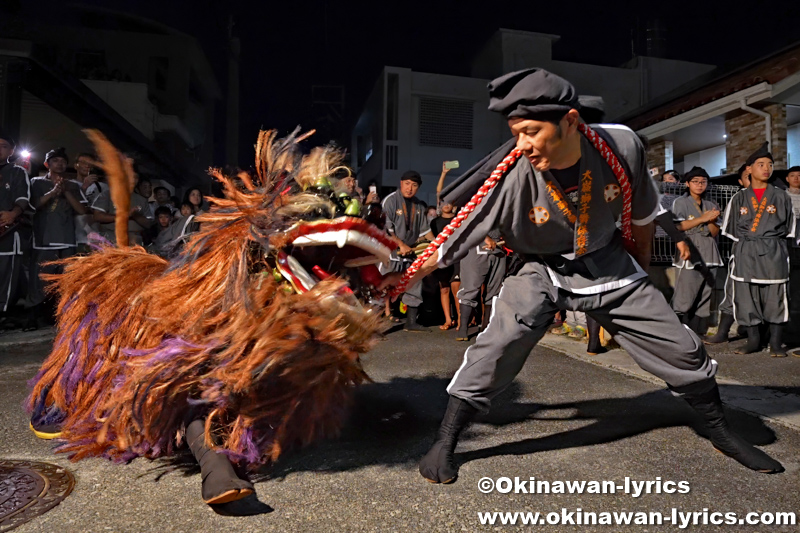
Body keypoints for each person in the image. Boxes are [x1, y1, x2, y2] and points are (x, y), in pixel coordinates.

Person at [380, 68, 783, 481]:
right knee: (496, 347)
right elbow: (454, 236)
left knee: (682, 349)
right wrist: (403, 278)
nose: (521, 144)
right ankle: (446, 440)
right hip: (542, 270)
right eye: (515, 132)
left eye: (532, 131)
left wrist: (638, 277)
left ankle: (721, 430)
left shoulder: (621, 144)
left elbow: (642, 215)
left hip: (609, 263)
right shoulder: (511, 175)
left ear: (571, 121)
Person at [721, 143, 795, 357]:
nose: (766, 168)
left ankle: (775, 343)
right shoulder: (739, 198)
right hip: (746, 251)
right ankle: (753, 341)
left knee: (776, 297)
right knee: (745, 297)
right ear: (749, 169)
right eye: (761, 164)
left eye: (770, 165)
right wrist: (748, 244)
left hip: (774, 251)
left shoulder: (782, 196)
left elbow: (789, 228)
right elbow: (731, 229)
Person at [25, 148, 89, 330]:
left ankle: (62, 316)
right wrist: (53, 192)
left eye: (62, 160)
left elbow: (82, 210)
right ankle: (32, 316)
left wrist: (66, 191)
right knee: (40, 279)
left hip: (68, 239)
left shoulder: (74, 185)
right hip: (43, 238)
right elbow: (32, 206)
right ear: (47, 164)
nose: (59, 163)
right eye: (55, 161)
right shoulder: (36, 182)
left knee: (65, 280)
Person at [670, 167, 722, 336]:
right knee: (685, 294)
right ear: (687, 183)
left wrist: (712, 220)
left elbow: (714, 232)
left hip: (710, 251)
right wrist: (703, 218)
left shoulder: (711, 204)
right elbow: (678, 226)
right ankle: (677, 334)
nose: (700, 185)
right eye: (695, 182)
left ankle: (698, 332)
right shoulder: (680, 202)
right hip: (690, 250)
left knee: (705, 294)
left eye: (703, 182)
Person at [705, 164, 750, 344]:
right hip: (742, 252)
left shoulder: (776, 196)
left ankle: (763, 336)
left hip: (769, 255)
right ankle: (723, 332)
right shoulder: (739, 198)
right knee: (732, 292)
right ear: (740, 181)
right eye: (748, 176)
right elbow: (729, 228)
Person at [380, 170, 429, 331]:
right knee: (383, 285)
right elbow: (387, 229)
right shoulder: (391, 201)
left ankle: (411, 322)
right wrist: (401, 244)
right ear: (401, 183)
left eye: (414, 185)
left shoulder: (420, 206)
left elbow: (425, 232)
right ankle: (375, 326)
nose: (410, 188)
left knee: (415, 283)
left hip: (412, 253)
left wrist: (439, 244)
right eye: (407, 184)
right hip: (391, 252)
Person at [0, 132, 31, 324]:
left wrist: (13, 213)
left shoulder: (17, 171)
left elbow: (23, 198)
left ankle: (2, 313)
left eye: (3, 146)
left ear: (11, 151)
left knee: (4, 275)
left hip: (7, 232)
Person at [455, 231, 506, 340]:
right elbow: (470, 221)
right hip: (477, 245)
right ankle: (463, 328)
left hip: (499, 247)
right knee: (470, 288)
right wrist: (485, 237)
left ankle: (486, 328)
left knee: (494, 289)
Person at [426, 201, 460, 330]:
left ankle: (461, 319)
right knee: (444, 289)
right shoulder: (435, 222)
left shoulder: (459, 219)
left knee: (456, 288)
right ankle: (448, 319)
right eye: (443, 203)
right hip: (441, 257)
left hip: (457, 256)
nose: (446, 205)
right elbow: (433, 240)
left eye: (450, 202)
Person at [92, 174, 153, 246]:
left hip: (135, 241)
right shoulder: (108, 194)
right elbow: (97, 216)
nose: (132, 180)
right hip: (111, 238)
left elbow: (148, 224)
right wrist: (124, 215)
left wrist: (135, 215)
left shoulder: (141, 199)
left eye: (135, 177)